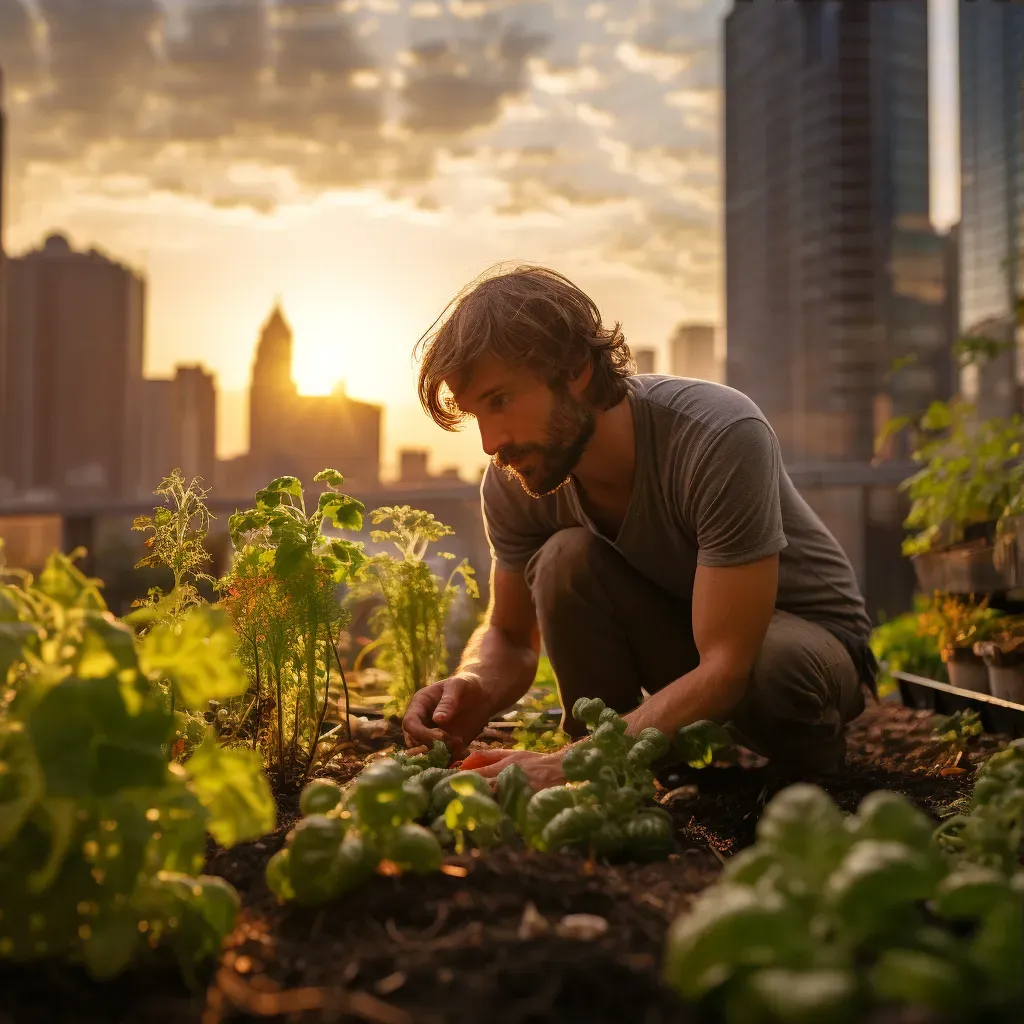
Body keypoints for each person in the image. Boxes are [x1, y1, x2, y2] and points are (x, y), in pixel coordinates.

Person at [401, 264, 875, 791]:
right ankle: (613, 773)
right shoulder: (519, 477)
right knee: (565, 559)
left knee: (771, 666)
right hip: (691, 640)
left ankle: (810, 779)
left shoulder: (718, 435)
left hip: (804, 642)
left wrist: (568, 762)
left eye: (501, 400)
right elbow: (511, 635)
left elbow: (727, 664)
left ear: (576, 367)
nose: (491, 442)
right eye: (476, 415)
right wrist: (473, 685)